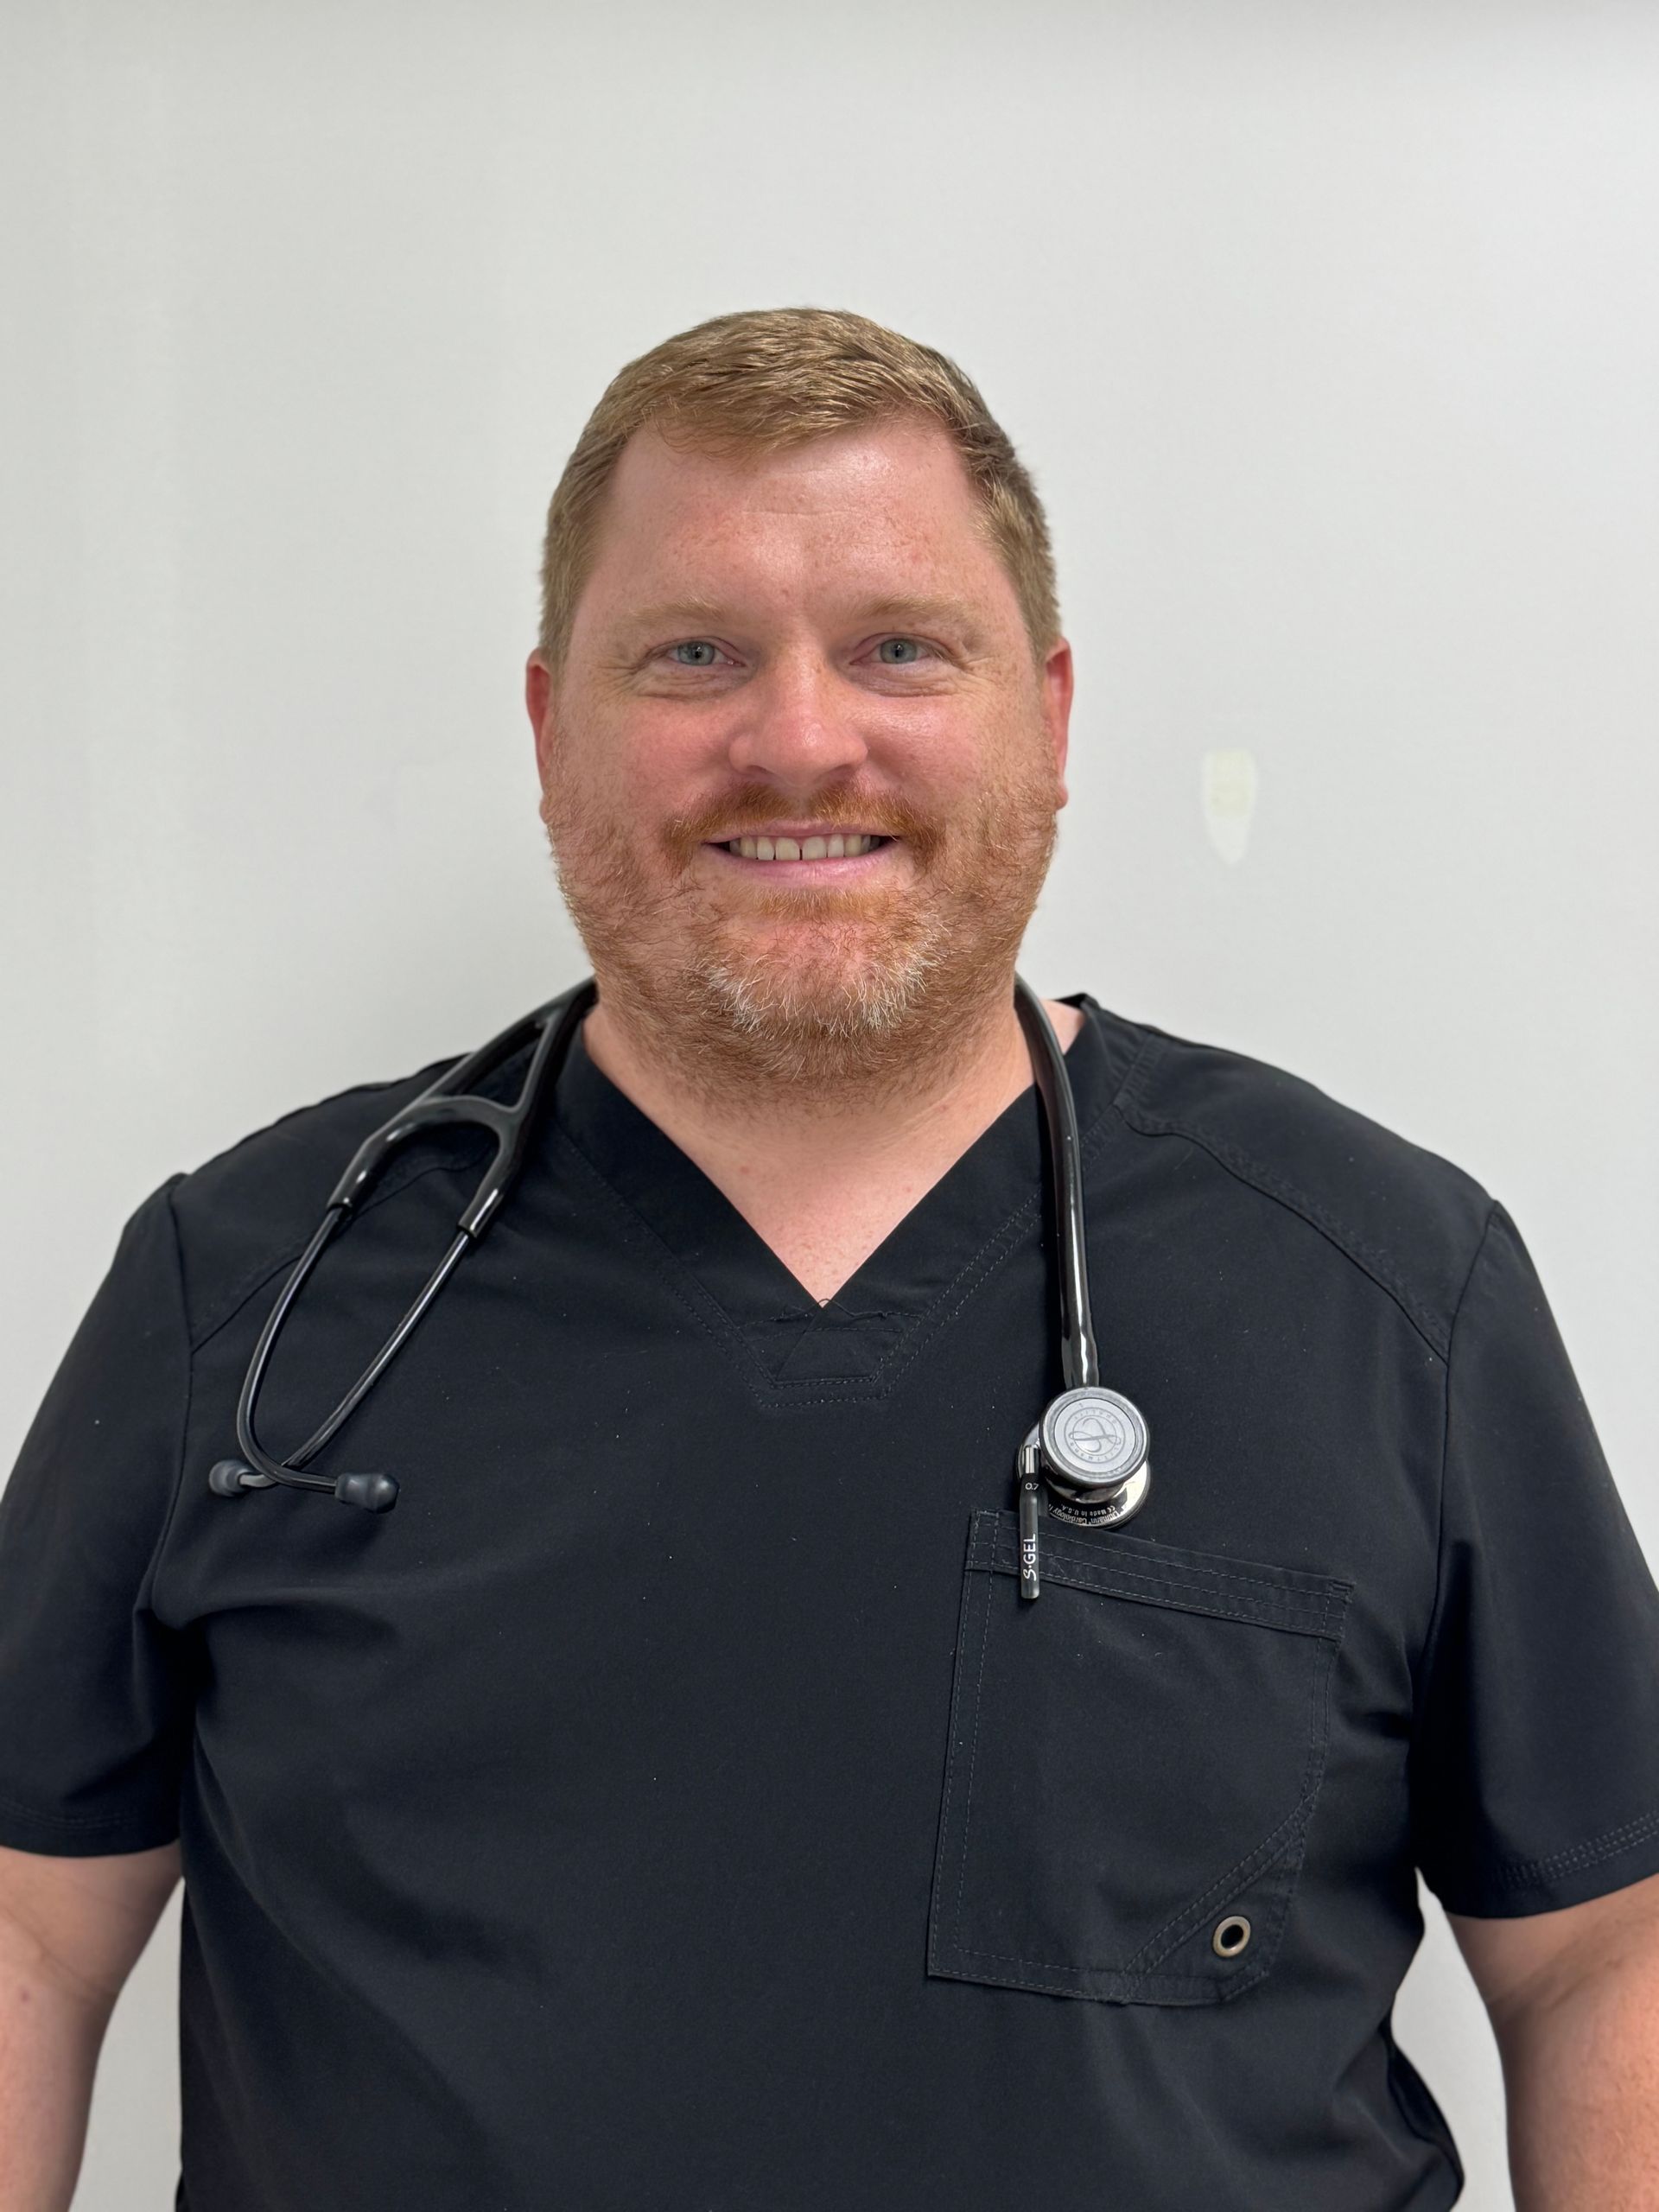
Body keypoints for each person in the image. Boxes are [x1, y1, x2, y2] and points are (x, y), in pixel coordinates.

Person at [1, 307, 1656, 2212]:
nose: (797, 735)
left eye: (898, 647)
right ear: (552, 730)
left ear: (1046, 713)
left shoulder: (1379, 1284)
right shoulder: (252, 1288)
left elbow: (1606, 1943)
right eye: (693, 652)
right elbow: (28, 1936)